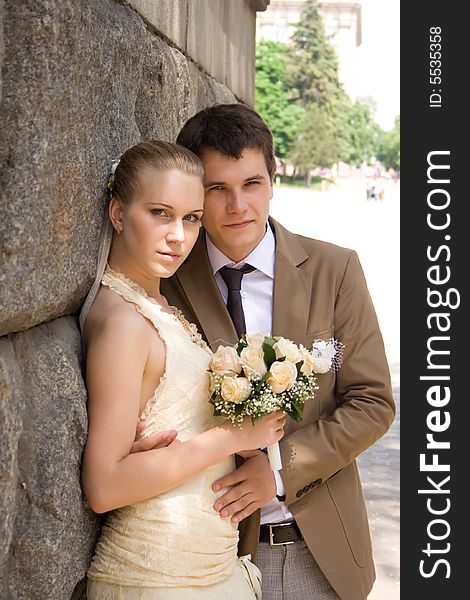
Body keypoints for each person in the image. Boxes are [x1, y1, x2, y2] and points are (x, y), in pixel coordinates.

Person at [158, 104, 396, 600]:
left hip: (320, 551)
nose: (237, 206)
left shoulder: (336, 271)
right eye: (216, 188)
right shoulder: (169, 283)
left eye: (251, 184)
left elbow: (373, 402)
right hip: (211, 554)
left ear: (273, 177)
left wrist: (281, 470)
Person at [79, 140, 286, 599]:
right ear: (117, 213)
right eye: (159, 213)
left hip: (207, 569)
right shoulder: (123, 323)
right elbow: (104, 485)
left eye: (191, 218)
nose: (179, 236)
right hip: (155, 577)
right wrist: (234, 437)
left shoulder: (159, 304)